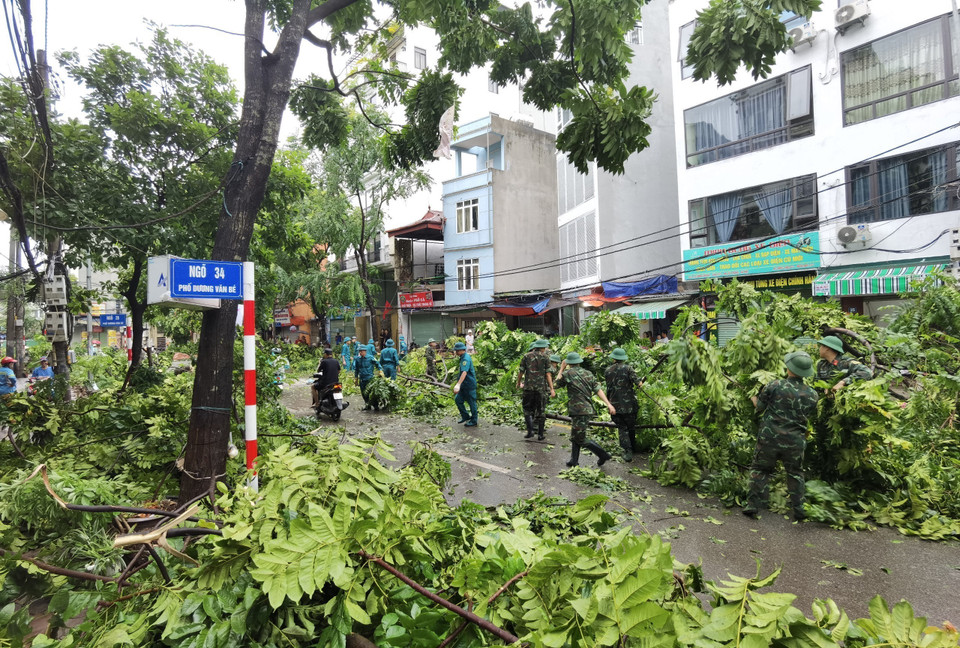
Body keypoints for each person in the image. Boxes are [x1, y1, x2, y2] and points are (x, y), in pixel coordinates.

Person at [743, 351, 819, 521]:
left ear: (789, 368)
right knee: (795, 473)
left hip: (770, 438)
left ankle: (753, 505)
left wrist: (753, 397)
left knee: (760, 469)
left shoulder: (774, 385)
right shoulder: (813, 394)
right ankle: (799, 510)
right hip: (795, 441)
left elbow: (760, 407)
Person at [555, 352, 615, 468]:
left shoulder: (568, 373)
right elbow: (598, 390)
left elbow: (556, 384)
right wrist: (608, 404)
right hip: (586, 409)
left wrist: (561, 368)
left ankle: (603, 454)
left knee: (579, 438)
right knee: (576, 434)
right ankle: (574, 460)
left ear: (569, 363)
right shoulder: (588, 373)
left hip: (578, 410)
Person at [604, 348, 643, 461]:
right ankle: (633, 448)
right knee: (631, 426)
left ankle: (627, 450)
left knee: (622, 428)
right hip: (630, 404)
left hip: (615, 404)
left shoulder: (608, 371)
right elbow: (639, 384)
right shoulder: (628, 369)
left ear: (613, 358)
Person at [516, 339, 554, 440]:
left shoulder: (526, 356)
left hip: (528, 387)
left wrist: (518, 382)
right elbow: (548, 374)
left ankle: (530, 431)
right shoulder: (545, 357)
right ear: (543, 347)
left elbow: (521, 371)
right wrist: (552, 388)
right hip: (541, 388)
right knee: (541, 411)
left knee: (527, 409)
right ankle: (540, 435)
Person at [452, 341, 478, 427]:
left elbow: (464, 372)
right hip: (464, 384)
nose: (455, 352)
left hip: (469, 385)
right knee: (458, 400)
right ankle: (465, 416)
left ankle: (474, 420)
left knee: (472, 403)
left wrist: (458, 384)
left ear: (460, 350)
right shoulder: (463, 357)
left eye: (456, 351)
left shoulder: (465, 359)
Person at [354, 344, 382, 411]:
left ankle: (376, 406)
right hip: (362, 379)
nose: (360, 353)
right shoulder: (358, 359)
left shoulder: (370, 357)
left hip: (370, 378)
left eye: (361, 351)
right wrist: (356, 378)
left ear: (365, 351)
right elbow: (356, 369)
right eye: (359, 351)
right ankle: (367, 405)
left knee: (372, 393)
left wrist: (380, 370)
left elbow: (377, 363)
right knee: (364, 393)